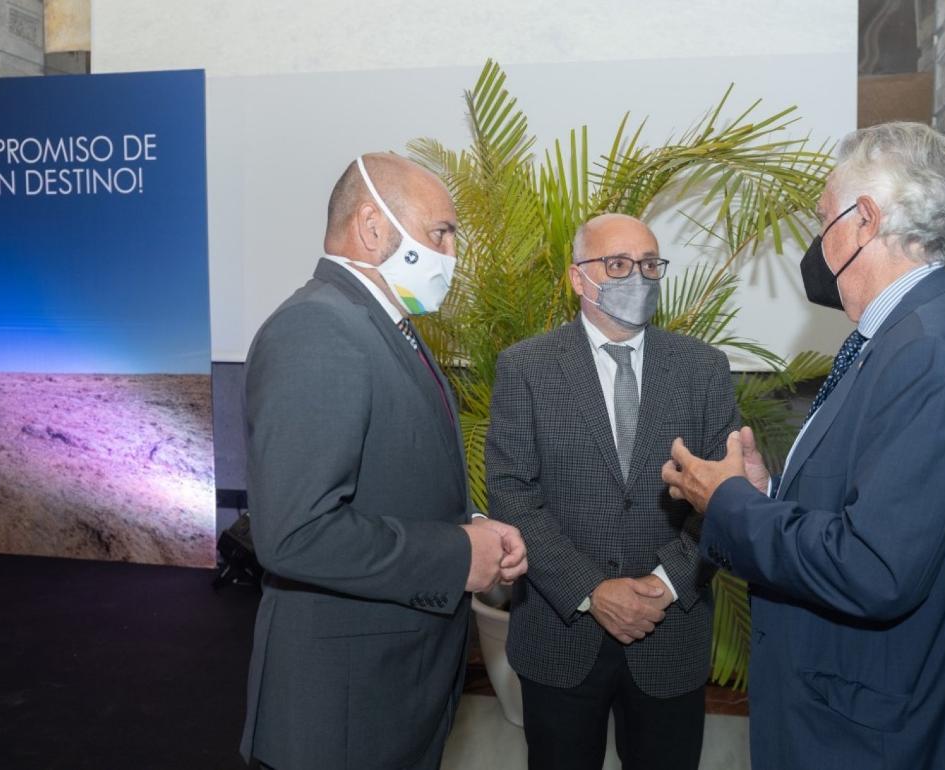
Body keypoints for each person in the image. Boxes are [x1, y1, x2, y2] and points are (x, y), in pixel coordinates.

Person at [661, 122, 945, 769]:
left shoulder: (927, 350)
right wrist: (767, 493)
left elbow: (874, 569)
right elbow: (882, 508)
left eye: (824, 217)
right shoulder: (918, 333)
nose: (817, 241)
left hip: (883, 732)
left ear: (864, 220)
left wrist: (729, 505)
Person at [239, 152, 529, 770]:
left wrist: (475, 528)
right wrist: (459, 555)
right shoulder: (318, 329)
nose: (453, 254)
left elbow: (396, 473)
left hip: (388, 690)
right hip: (342, 709)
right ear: (372, 227)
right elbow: (295, 534)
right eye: (440, 233)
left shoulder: (380, 323)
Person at [487, 213, 739, 770]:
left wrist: (665, 584)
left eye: (650, 265)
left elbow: (727, 495)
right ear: (579, 278)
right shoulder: (526, 367)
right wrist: (592, 590)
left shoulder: (703, 369)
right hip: (560, 631)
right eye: (619, 265)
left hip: (670, 628)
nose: (639, 278)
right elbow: (511, 494)